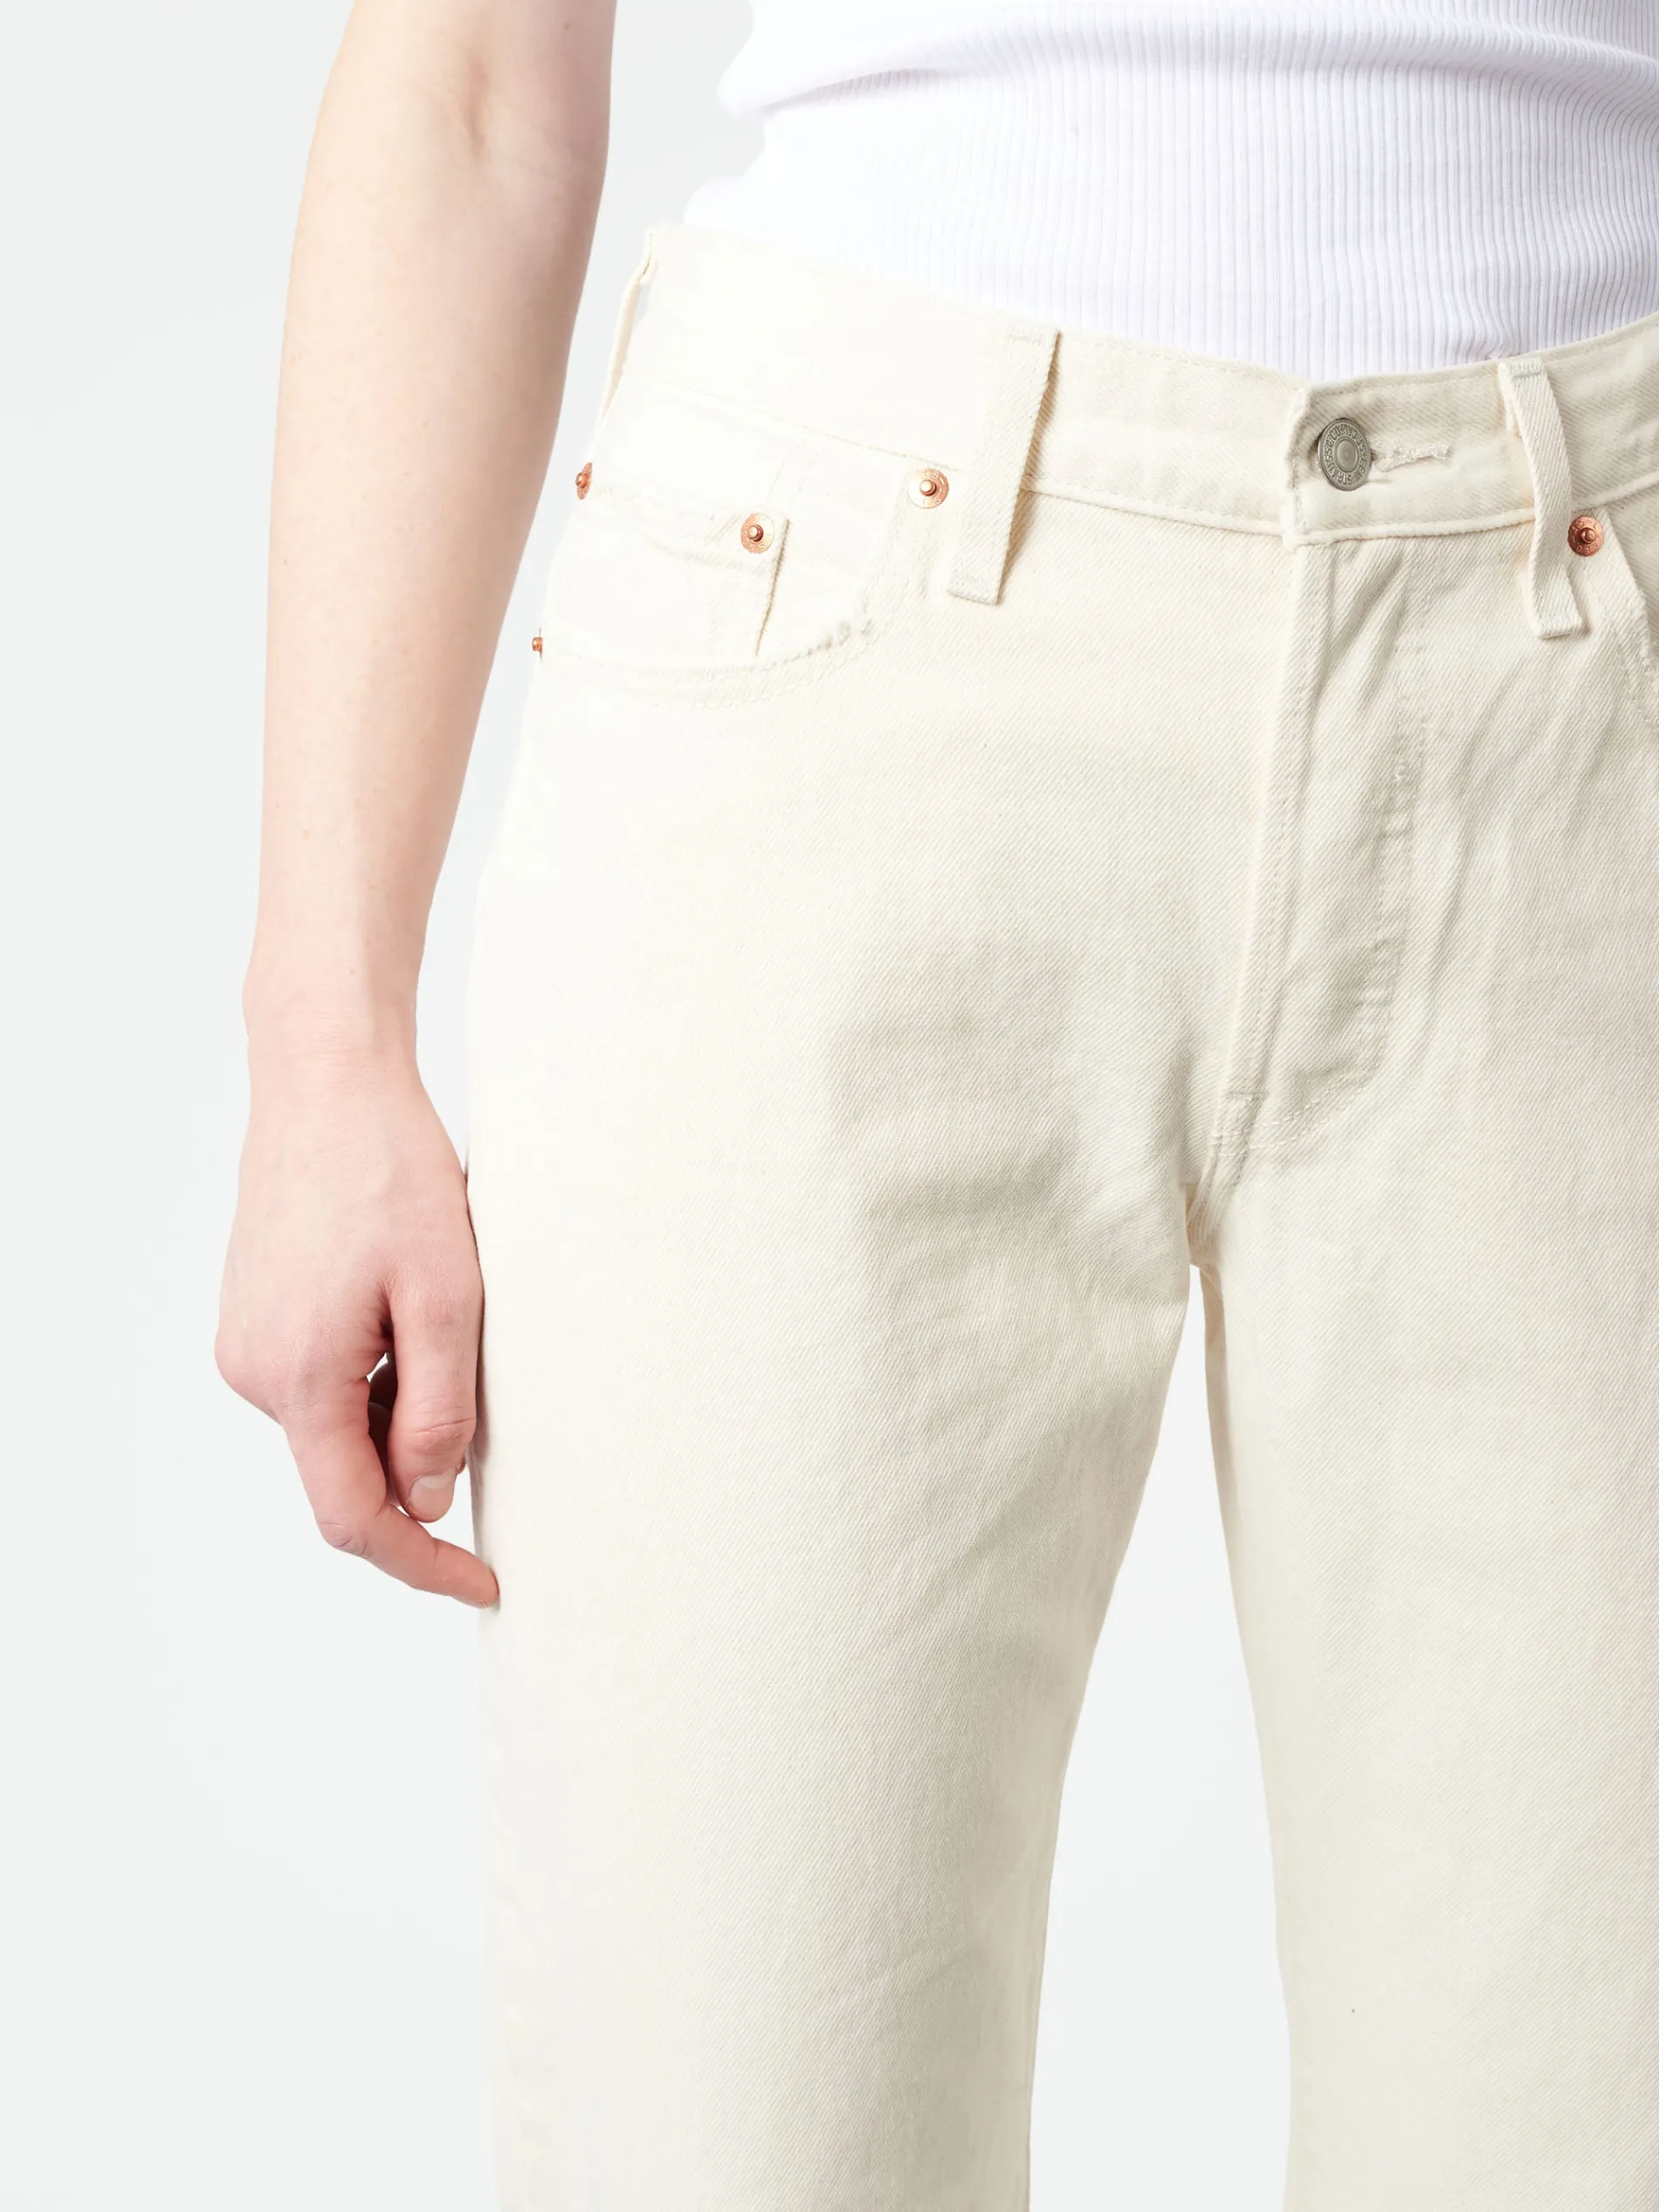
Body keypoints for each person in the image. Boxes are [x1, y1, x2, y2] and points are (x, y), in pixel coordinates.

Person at [217, 2, 1659, 2204]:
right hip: (836, 636)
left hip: (1591, 653)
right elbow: (476, 82)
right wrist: (322, 1040)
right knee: (740, 2121)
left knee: (1584, 2107)